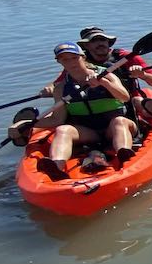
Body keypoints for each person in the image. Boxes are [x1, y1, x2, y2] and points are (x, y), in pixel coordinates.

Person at [20, 42, 140, 180]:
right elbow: (57, 119)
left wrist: (104, 83)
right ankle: (56, 167)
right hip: (89, 133)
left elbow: (125, 97)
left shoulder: (106, 75)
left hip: (113, 129)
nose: (71, 62)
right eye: (65, 59)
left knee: (119, 121)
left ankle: (124, 155)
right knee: (63, 129)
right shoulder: (61, 88)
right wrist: (28, 124)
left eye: (74, 58)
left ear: (83, 57)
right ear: (59, 62)